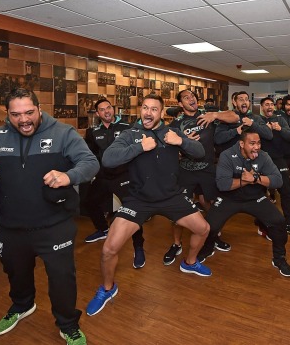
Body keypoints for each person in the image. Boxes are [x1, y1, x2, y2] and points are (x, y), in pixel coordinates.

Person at [0, 88, 99, 344]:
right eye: (15, 114)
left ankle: (67, 324)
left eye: (29, 112)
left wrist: (68, 176)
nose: (23, 119)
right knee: (16, 274)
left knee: (62, 280)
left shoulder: (62, 133)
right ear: (7, 115)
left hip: (55, 225)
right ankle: (22, 306)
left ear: (39, 109)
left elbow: (89, 163)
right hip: (12, 228)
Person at [86, 93, 211, 317]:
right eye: (145, 108)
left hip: (171, 196)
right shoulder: (130, 134)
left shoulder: (172, 132)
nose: (148, 112)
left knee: (203, 229)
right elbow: (108, 159)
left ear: (162, 112)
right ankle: (107, 288)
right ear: (140, 110)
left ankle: (190, 262)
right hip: (138, 200)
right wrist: (139, 148)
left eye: (154, 109)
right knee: (108, 249)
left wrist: (181, 141)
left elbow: (200, 152)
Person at [197, 128, 290, 277]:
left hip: (255, 198)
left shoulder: (263, 156)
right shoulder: (227, 155)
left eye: (259, 143)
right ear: (242, 143)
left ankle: (279, 258)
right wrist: (245, 180)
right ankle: (209, 247)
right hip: (229, 198)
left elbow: (278, 181)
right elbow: (223, 184)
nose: (256, 147)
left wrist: (255, 179)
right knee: (210, 226)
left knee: (279, 221)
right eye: (252, 143)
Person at [163, 89, 239, 265]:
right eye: (186, 97)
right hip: (185, 171)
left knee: (212, 205)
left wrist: (214, 114)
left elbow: (234, 117)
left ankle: (213, 236)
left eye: (193, 96)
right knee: (179, 208)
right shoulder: (176, 124)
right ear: (180, 104)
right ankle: (176, 244)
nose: (191, 99)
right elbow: (168, 148)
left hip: (207, 169)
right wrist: (184, 141)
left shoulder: (208, 116)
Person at [82, 98, 146, 269]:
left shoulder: (128, 128)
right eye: (102, 110)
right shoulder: (92, 131)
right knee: (89, 202)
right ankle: (103, 229)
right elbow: (90, 154)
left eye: (108, 108)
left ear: (113, 109)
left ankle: (139, 248)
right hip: (103, 177)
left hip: (123, 176)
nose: (106, 111)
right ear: (98, 114)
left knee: (132, 212)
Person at [258, 97, 290, 238]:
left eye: (272, 104)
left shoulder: (280, 119)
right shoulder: (257, 120)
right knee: (260, 195)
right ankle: (262, 225)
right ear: (262, 107)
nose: (270, 106)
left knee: (286, 192)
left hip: (279, 159)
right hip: (262, 161)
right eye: (266, 104)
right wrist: (267, 129)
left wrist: (280, 128)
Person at [214, 91, 273, 155]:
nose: (244, 102)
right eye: (241, 100)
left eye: (246, 99)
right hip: (231, 159)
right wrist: (236, 131)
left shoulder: (256, 118)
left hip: (252, 158)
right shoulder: (227, 118)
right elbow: (218, 139)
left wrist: (252, 124)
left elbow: (269, 135)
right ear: (235, 103)